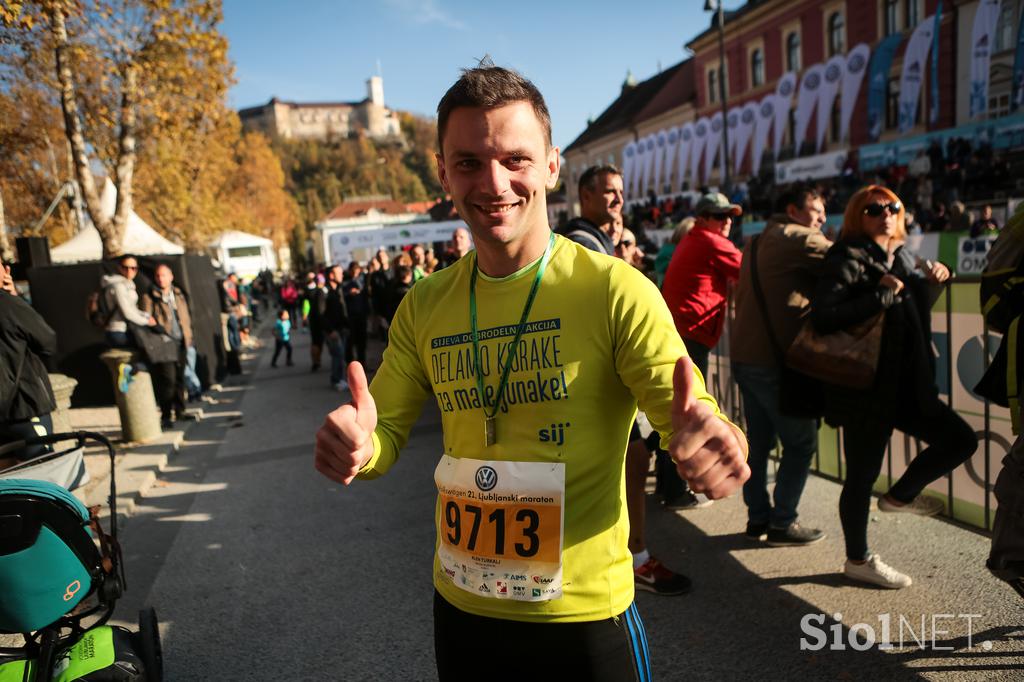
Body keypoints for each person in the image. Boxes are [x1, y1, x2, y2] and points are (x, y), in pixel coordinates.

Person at [314, 62, 749, 680]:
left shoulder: (614, 290)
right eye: (467, 162)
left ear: (551, 164)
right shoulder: (426, 303)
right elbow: (382, 435)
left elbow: (691, 410)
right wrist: (357, 447)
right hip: (463, 610)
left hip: (581, 620)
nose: (493, 182)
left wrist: (717, 440)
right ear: (442, 173)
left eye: (515, 158)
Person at [811, 185, 977, 588]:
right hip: (865, 388)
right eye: (873, 209)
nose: (885, 214)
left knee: (961, 440)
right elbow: (825, 317)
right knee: (860, 477)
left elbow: (912, 312)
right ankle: (857, 559)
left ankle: (900, 496)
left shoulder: (901, 255)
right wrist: (881, 294)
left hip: (907, 386)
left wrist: (938, 278)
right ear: (856, 215)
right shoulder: (846, 255)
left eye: (893, 207)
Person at [567, 163, 696, 593]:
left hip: (607, 372)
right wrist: (625, 266)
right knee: (633, 457)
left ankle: (628, 553)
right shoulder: (581, 242)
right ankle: (633, 557)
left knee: (634, 458)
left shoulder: (599, 240)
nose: (618, 199)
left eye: (620, 191)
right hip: (603, 375)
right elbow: (600, 302)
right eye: (608, 192)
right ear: (584, 196)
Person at [730, 186, 830, 546]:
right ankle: (782, 522)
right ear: (793, 210)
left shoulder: (757, 240)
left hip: (747, 357)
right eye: (816, 211)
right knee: (801, 444)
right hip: (773, 363)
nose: (821, 219)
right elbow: (849, 261)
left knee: (758, 443)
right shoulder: (798, 237)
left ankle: (758, 518)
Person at [661, 193, 743, 378]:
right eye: (720, 216)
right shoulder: (712, 241)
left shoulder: (692, 237)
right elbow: (748, 270)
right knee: (694, 399)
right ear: (703, 219)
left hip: (682, 329)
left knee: (684, 395)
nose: (728, 221)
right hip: (693, 331)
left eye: (730, 216)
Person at [0, 261, 65, 469]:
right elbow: (48, 342)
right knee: (44, 471)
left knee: (7, 480)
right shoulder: (7, 304)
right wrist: (15, 300)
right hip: (24, 404)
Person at [140, 263, 194, 429]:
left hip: (181, 341)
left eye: (164, 275)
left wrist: (188, 336)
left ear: (171, 277)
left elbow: (185, 316)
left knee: (180, 377)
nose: (161, 279)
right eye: (158, 276)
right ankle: (165, 414)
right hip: (164, 343)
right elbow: (145, 319)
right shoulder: (149, 297)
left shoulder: (178, 294)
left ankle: (180, 410)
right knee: (167, 380)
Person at [102, 255, 156, 393]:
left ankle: (132, 370)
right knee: (153, 350)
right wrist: (146, 322)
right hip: (118, 331)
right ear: (119, 268)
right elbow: (127, 312)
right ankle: (130, 370)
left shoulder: (127, 284)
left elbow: (133, 309)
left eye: (134, 268)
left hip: (126, 329)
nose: (130, 271)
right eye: (126, 267)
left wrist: (146, 316)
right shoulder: (118, 286)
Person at [557, 164, 621, 255]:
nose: (619, 200)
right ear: (586, 196)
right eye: (610, 192)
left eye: (621, 192)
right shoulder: (584, 246)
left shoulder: (596, 240)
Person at [322, 264, 349, 392]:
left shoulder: (339, 290)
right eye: (339, 272)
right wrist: (330, 330)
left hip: (341, 328)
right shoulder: (324, 292)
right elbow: (320, 314)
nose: (342, 275)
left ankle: (340, 378)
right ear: (331, 275)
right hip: (332, 331)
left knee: (340, 355)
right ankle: (336, 380)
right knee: (337, 354)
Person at [342, 261, 369, 366]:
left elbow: (367, 294)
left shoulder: (363, 280)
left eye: (356, 270)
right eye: (352, 270)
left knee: (362, 341)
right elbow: (342, 295)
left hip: (361, 315)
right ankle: (350, 364)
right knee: (350, 341)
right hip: (350, 316)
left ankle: (362, 363)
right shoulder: (345, 282)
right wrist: (349, 293)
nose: (354, 272)